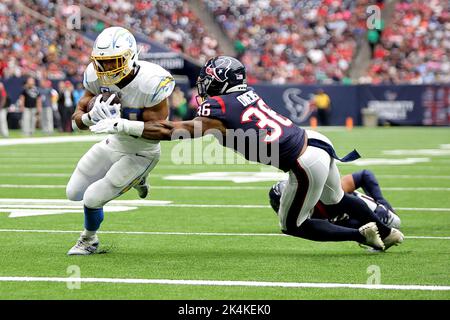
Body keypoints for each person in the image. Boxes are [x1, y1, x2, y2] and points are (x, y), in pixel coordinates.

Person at [91, 56, 404, 251]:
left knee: (294, 225)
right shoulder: (245, 95)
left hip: (302, 160)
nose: (204, 85)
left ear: (221, 82)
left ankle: (361, 236)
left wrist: (124, 125)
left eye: (209, 80)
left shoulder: (218, 108)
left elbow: (175, 131)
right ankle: (387, 232)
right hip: (317, 141)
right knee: (335, 200)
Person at [66, 26, 175, 255]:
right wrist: (88, 116)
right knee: (73, 192)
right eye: (102, 62)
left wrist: (121, 123)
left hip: (142, 152)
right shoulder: (94, 76)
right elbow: (75, 123)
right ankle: (138, 181)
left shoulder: (151, 80)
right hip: (114, 143)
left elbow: (162, 130)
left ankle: (89, 239)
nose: (107, 69)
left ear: (131, 57)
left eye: (114, 61)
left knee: (92, 198)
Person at [269, 169, 401, 236]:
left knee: (393, 221)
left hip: (374, 213)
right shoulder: (300, 221)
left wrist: (381, 203)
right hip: (358, 224)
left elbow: (365, 175)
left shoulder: (323, 195)